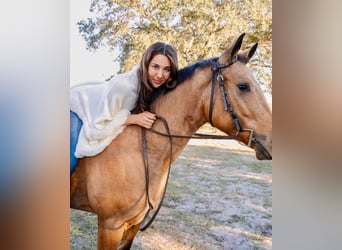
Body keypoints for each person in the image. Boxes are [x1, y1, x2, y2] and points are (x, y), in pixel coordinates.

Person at [70, 42, 178, 173]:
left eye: (167, 69)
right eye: (155, 67)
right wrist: (131, 119)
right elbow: (96, 131)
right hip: (78, 106)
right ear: (146, 65)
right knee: (70, 162)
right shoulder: (124, 87)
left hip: (97, 102)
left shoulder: (158, 86)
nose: (160, 75)